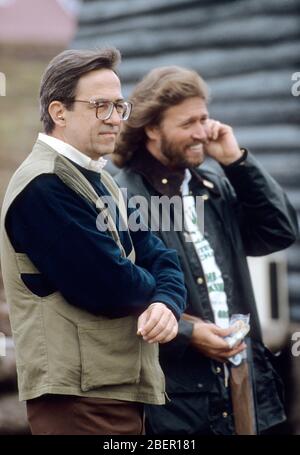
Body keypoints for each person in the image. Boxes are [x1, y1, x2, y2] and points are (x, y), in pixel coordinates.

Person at [0, 51, 187, 435]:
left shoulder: (100, 180)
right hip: (80, 399)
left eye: (119, 105)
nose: (117, 118)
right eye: (101, 106)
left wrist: (166, 302)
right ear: (59, 112)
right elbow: (110, 286)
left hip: (110, 391)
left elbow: (161, 254)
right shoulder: (44, 186)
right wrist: (158, 293)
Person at [114, 66, 299, 434]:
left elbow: (279, 231)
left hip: (246, 387)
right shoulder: (123, 198)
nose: (201, 132)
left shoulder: (212, 187)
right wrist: (188, 334)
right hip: (178, 403)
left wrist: (236, 162)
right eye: (187, 124)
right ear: (151, 128)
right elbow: (116, 298)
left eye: (204, 118)